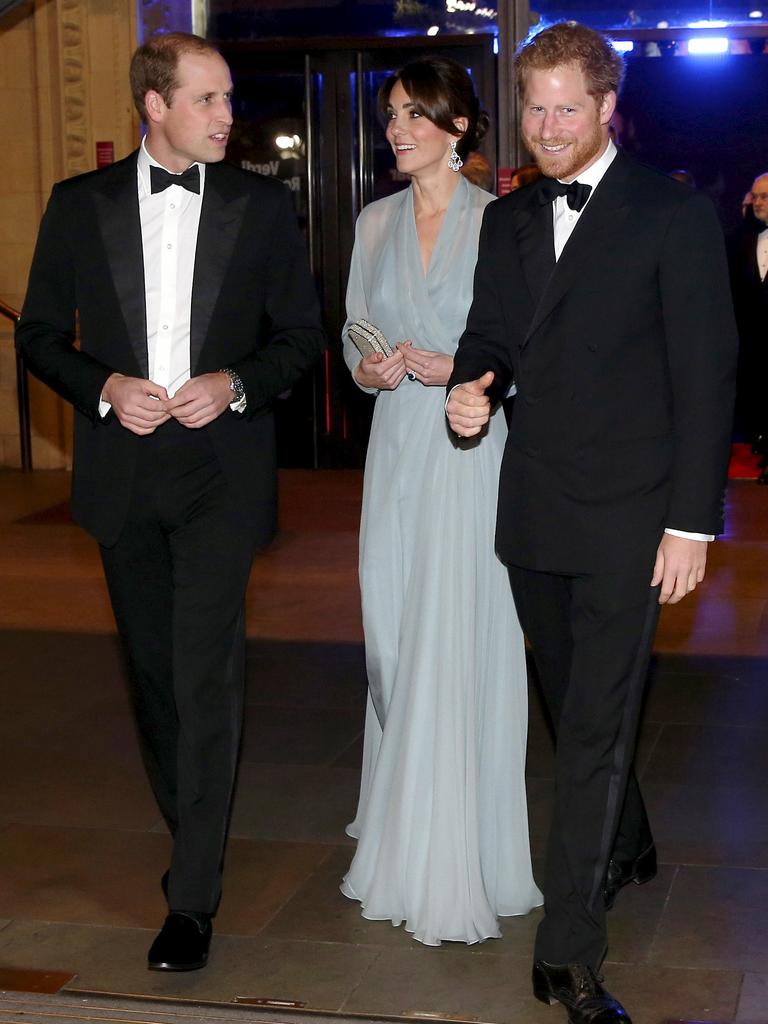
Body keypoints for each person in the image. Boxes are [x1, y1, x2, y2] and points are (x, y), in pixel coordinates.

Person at [16, 32, 325, 973]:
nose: (230, 116)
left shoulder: (263, 209)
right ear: (155, 105)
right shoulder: (79, 208)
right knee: (154, 682)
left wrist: (232, 382)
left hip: (220, 476)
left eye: (229, 98)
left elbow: (301, 337)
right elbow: (36, 335)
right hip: (123, 473)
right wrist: (104, 387)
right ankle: (190, 830)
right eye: (210, 100)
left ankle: (192, 897)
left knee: (206, 679)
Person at [446, 22, 736, 1023]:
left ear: (608, 109)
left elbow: (708, 379)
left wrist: (693, 523)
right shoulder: (511, 220)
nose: (550, 125)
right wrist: (475, 385)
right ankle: (628, 841)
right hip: (534, 508)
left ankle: (568, 949)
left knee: (599, 729)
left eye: (570, 106)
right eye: (535, 106)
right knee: (575, 713)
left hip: (632, 515)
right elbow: (492, 330)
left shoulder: (670, 214)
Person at [341, 56, 542, 946]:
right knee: (391, 634)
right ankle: (397, 822)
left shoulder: (499, 221)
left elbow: (524, 346)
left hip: (467, 450)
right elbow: (354, 335)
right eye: (390, 116)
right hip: (395, 449)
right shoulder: (374, 222)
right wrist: (372, 368)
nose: (397, 130)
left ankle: (454, 855)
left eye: (414, 115)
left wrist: (464, 367)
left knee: (450, 639)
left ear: (457, 129)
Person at [728, 172, 768, 480]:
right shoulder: (740, 239)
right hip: (750, 343)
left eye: (764, 197)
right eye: (754, 196)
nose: (757, 202)